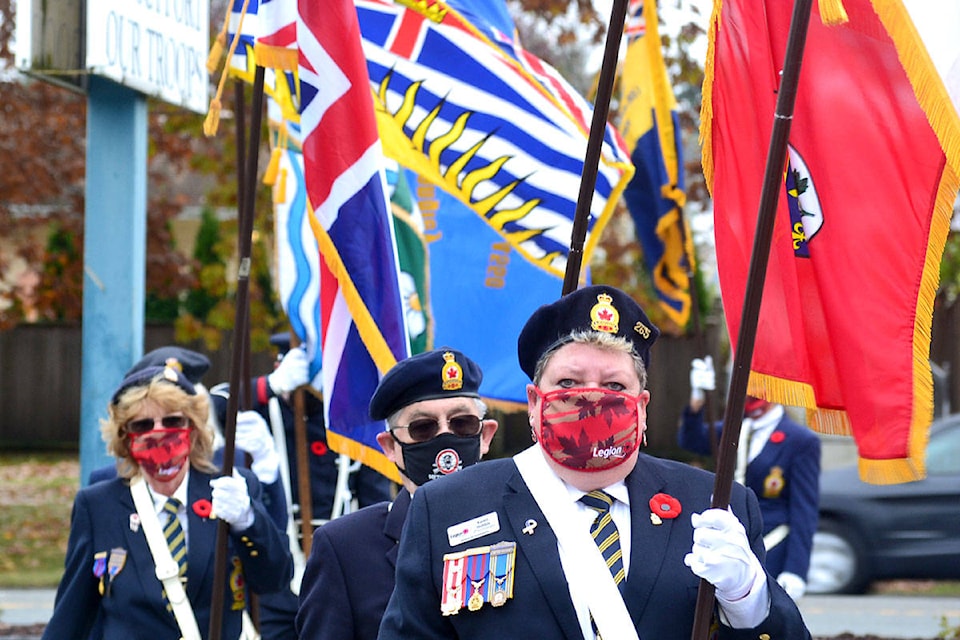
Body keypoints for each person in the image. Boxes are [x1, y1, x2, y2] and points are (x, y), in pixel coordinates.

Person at [378, 285, 811, 640]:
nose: (591, 397)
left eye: (613, 384)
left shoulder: (714, 504)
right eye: (568, 382)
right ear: (534, 402)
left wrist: (748, 600)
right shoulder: (448, 507)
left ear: (641, 406)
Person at [43, 365, 293, 640]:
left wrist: (247, 519)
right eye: (143, 425)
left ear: (193, 428)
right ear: (125, 437)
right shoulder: (99, 504)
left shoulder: (229, 489)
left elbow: (274, 580)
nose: (159, 433)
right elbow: (72, 615)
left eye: (173, 421)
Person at [295, 347, 499, 640]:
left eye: (461, 424)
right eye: (423, 428)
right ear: (390, 447)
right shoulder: (345, 548)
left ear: (485, 435)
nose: (445, 438)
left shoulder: (529, 522)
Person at [679, 356, 821, 601]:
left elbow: (803, 512)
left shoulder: (800, 441)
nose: (751, 395)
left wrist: (796, 569)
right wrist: (697, 399)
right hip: (727, 542)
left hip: (771, 545)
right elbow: (690, 440)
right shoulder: (734, 428)